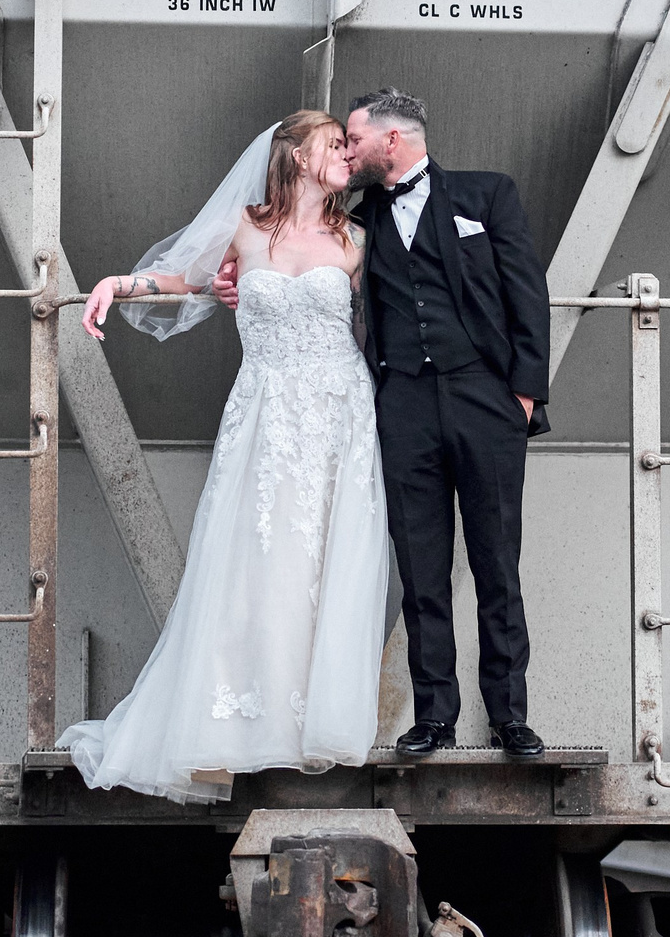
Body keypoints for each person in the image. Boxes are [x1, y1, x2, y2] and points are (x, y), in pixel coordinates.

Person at [57, 111, 385, 803]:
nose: (347, 158)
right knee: (256, 567)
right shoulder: (244, 226)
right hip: (264, 414)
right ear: (295, 156)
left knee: (329, 562)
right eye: (334, 146)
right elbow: (183, 277)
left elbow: (374, 329)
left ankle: (317, 725)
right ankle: (242, 725)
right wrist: (119, 284)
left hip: (337, 418)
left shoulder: (356, 239)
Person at [230, 89, 551, 759]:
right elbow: (292, 244)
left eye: (354, 138)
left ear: (392, 140)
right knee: (421, 570)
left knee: (497, 563)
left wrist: (523, 394)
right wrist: (234, 275)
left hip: (484, 400)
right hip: (402, 409)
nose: (347, 149)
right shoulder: (359, 217)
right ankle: (434, 714)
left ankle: (510, 716)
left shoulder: (486, 195)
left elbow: (527, 291)